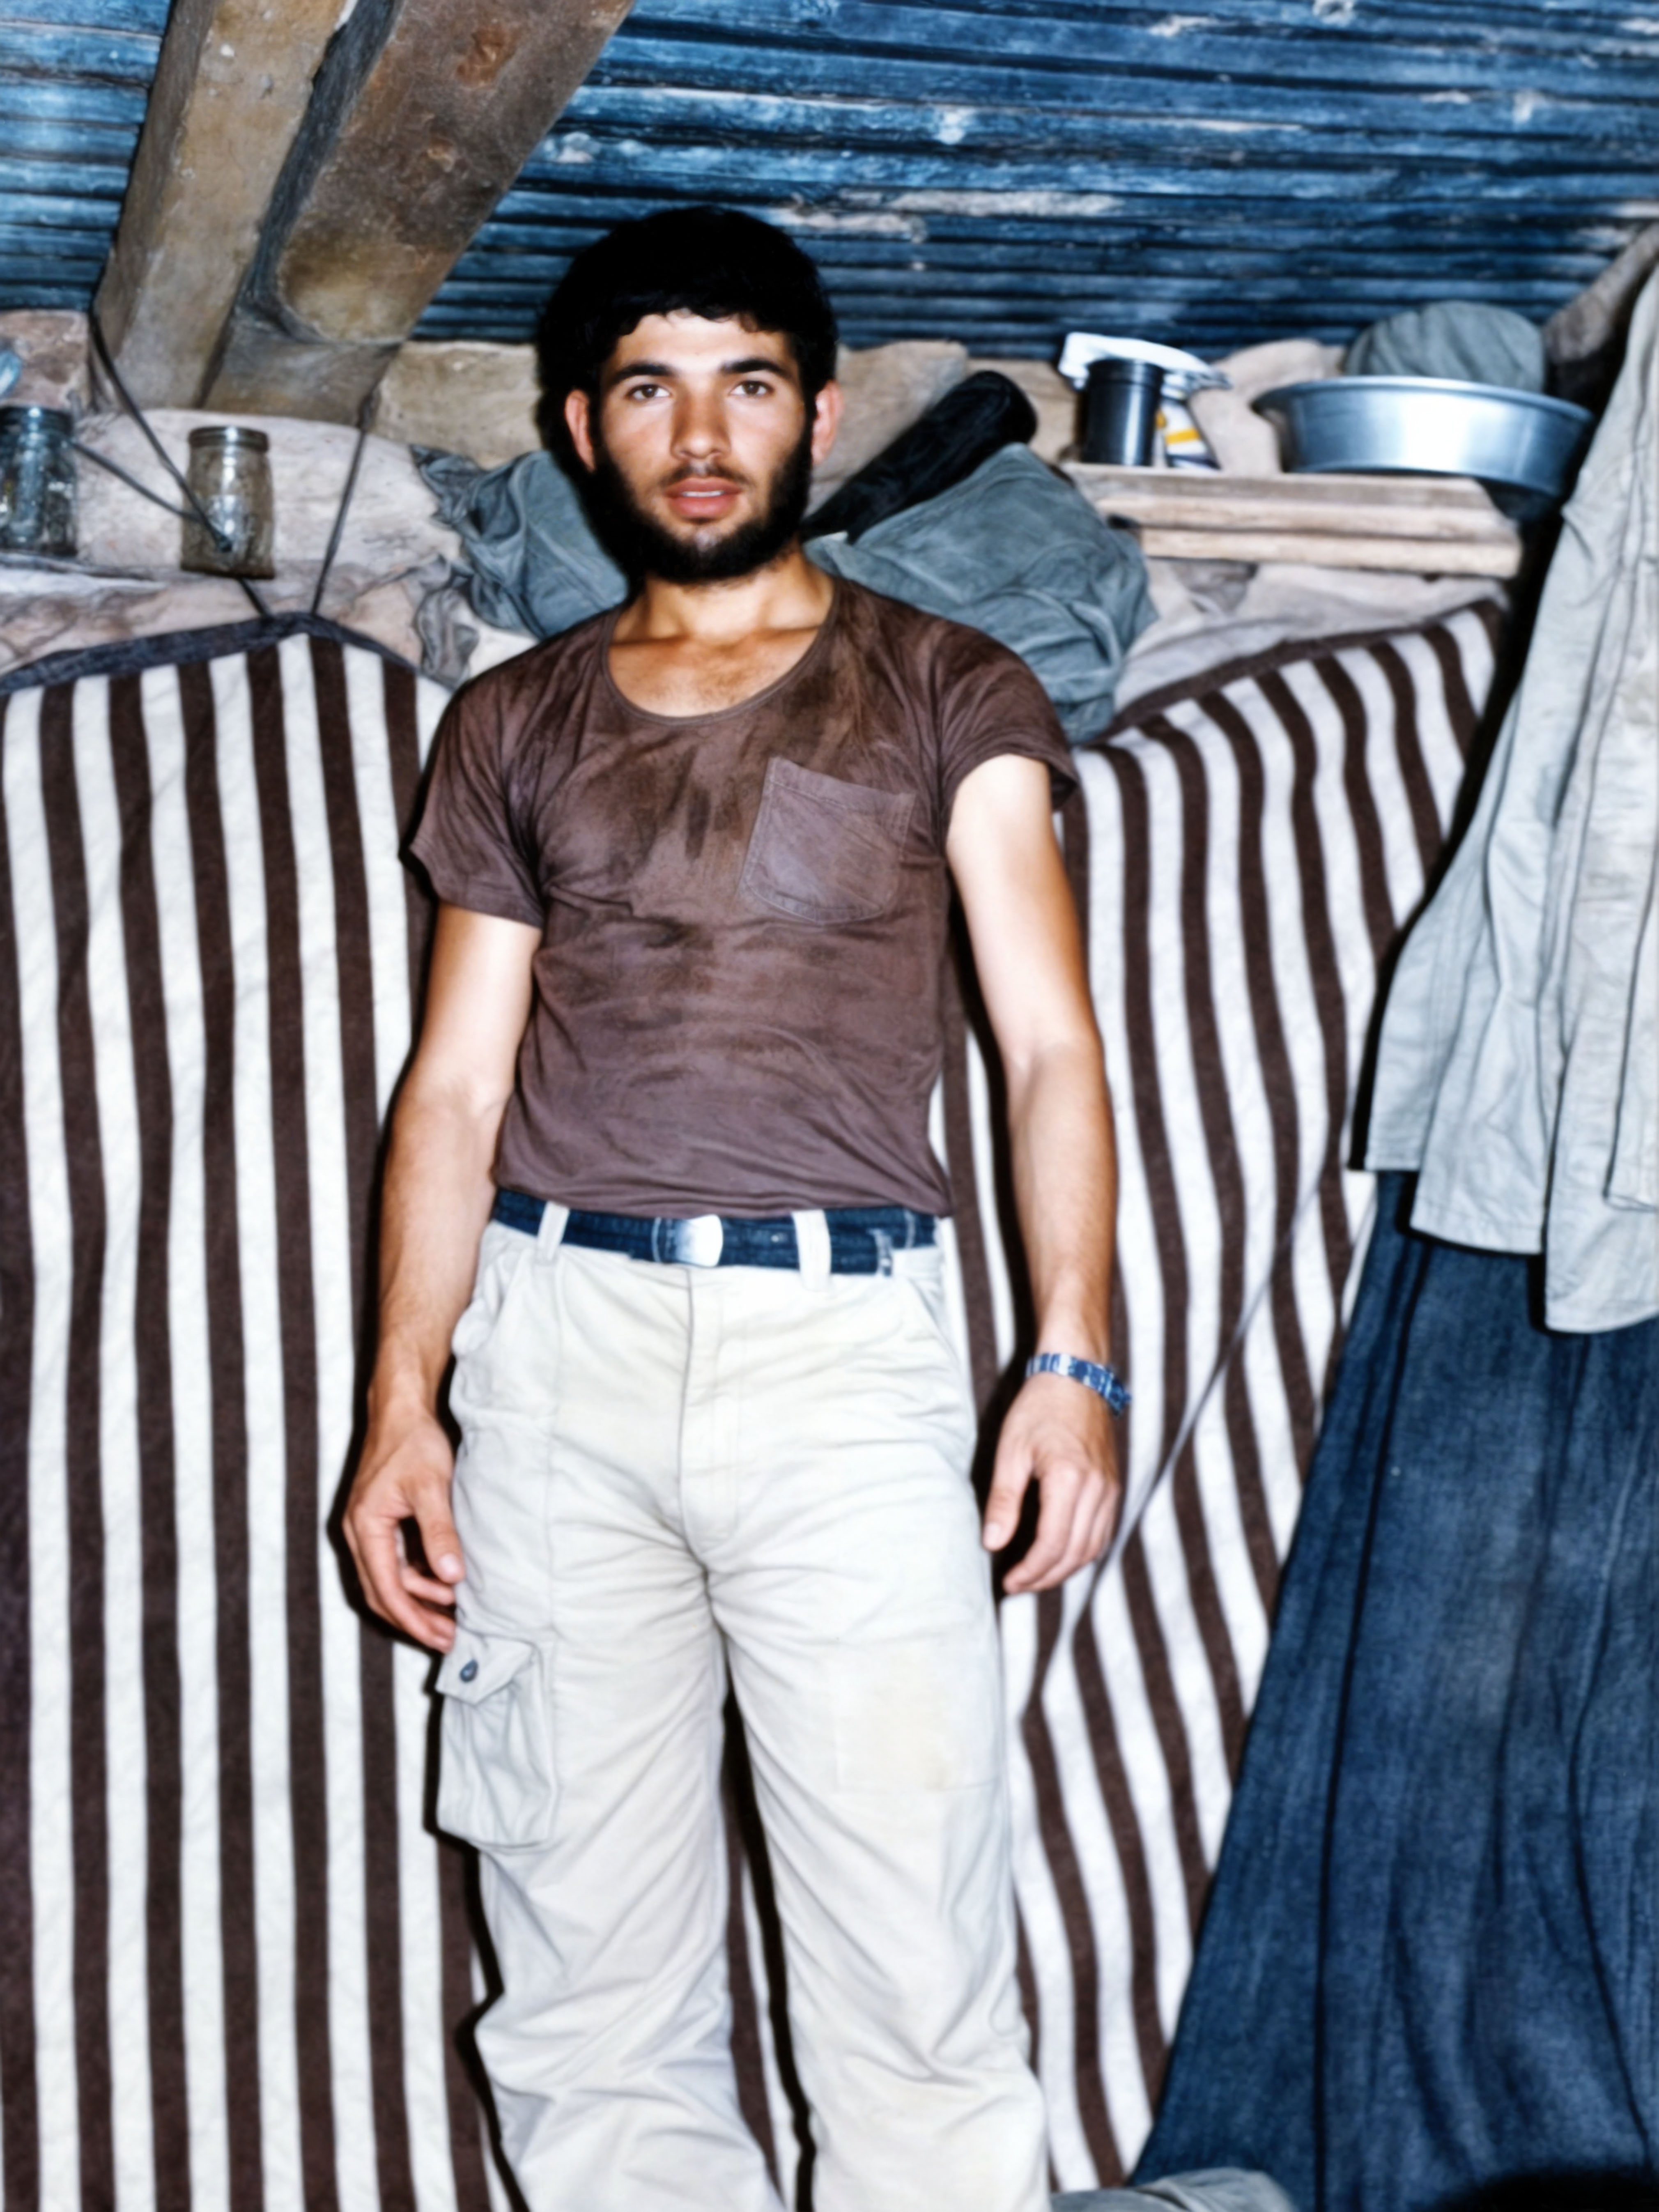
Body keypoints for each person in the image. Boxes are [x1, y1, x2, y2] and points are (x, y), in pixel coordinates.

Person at [343, 204, 1124, 2212]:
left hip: (841, 1361)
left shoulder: (949, 687)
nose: (700, 436)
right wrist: (402, 1407)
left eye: (746, 385)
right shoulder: (511, 721)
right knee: (583, 1992)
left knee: (912, 1970)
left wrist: (1072, 1359)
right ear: (582, 431)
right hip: (555, 1364)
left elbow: (1048, 1049)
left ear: (816, 414)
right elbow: (454, 1089)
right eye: (649, 392)